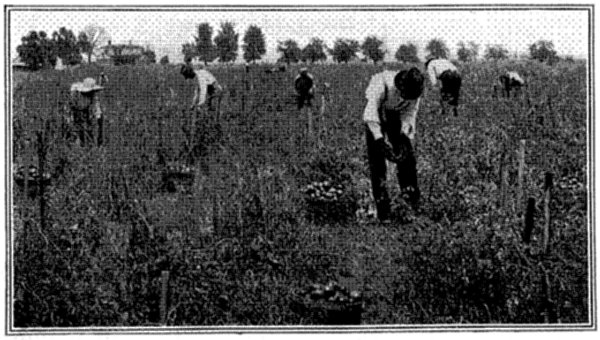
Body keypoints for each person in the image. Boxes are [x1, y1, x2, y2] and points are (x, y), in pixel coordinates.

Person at [363, 67, 425, 222]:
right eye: (405, 94)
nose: (407, 98)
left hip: (395, 116)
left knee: (407, 159)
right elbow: (370, 114)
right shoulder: (380, 83)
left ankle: (409, 205)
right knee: (377, 162)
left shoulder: (414, 91)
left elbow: (410, 114)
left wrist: (404, 137)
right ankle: (383, 210)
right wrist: (380, 142)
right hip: (376, 115)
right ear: (400, 86)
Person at [69, 77, 104, 146]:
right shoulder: (76, 95)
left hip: (85, 112)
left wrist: (98, 118)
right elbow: (71, 108)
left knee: (88, 127)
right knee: (77, 129)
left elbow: (96, 108)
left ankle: (91, 142)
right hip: (76, 112)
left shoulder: (93, 96)